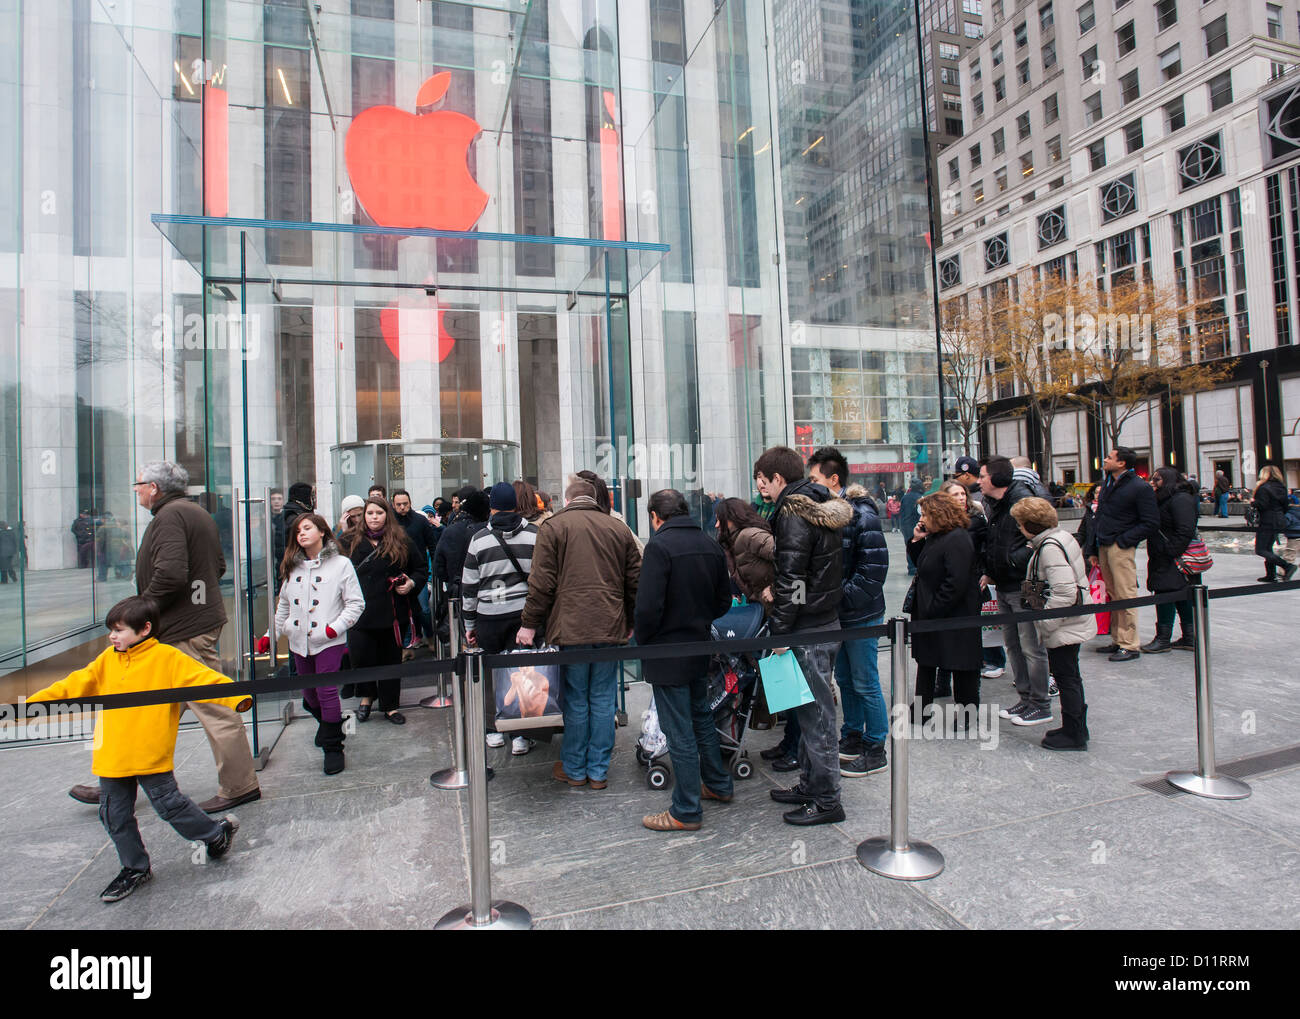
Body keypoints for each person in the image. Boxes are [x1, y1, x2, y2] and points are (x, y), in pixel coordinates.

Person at [68, 461, 262, 812]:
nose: (137, 490)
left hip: (183, 631)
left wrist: (139, 613)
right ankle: (116, 782)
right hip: (185, 626)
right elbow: (215, 568)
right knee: (141, 709)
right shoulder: (193, 513)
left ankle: (240, 785)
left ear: (154, 487)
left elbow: (172, 575)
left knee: (215, 708)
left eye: (139, 484)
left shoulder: (170, 517)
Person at [30, 596, 250, 902]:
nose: (112, 636)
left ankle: (214, 834)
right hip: (113, 755)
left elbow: (204, 678)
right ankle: (135, 868)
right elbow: (75, 683)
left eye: (119, 630)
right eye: (112, 630)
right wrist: (32, 704)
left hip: (150, 753)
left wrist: (235, 696)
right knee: (113, 815)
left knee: (170, 806)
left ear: (145, 629)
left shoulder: (167, 658)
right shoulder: (108, 659)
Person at [516, 478, 641, 790]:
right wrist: (631, 617)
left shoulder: (554, 527)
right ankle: (598, 771)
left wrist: (529, 623)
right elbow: (635, 580)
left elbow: (541, 582)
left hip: (570, 627)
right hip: (610, 624)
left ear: (569, 501)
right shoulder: (618, 528)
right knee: (602, 698)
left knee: (575, 698)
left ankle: (574, 768)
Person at [754, 446, 851, 826]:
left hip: (807, 628)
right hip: (820, 621)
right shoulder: (814, 506)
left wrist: (780, 629)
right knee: (812, 712)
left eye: (763, 481)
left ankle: (827, 800)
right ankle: (811, 784)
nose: (762, 489)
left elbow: (792, 579)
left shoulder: (793, 514)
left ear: (779, 479)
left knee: (817, 718)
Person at [634, 489, 734, 831]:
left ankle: (686, 809)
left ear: (655, 517)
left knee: (679, 731)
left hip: (667, 651)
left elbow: (647, 608)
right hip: (699, 646)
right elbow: (724, 600)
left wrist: (645, 640)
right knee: (701, 718)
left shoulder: (659, 547)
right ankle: (718, 785)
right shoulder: (710, 545)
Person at [258, 513, 364, 773]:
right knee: (309, 695)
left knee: (326, 691)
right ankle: (330, 727)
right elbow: (283, 606)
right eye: (297, 531)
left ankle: (333, 746)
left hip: (328, 640)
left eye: (307, 529)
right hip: (298, 641)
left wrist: (333, 629)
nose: (301, 534)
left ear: (322, 532)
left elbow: (355, 604)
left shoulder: (341, 564)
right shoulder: (292, 567)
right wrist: (270, 636)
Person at [807, 446, 889, 779]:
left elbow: (873, 571)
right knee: (844, 679)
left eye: (815, 478)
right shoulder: (829, 512)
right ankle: (853, 735)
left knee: (866, 681)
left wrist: (838, 599)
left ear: (834, 479)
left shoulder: (861, 514)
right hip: (839, 614)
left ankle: (876, 746)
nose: (810, 485)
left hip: (861, 614)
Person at [1008, 499, 1094, 750]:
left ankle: (1074, 732)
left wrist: (1046, 623)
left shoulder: (1049, 548)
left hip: (1064, 624)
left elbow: (1065, 592)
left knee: (1067, 677)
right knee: (1070, 677)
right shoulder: (1061, 537)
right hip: (1071, 621)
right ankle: (1075, 727)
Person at [462, 481, 540, 757]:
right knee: (522, 673)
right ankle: (521, 734)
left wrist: (469, 625)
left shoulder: (479, 539)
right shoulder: (534, 534)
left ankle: (494, 730)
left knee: (491, 674)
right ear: (517, 506)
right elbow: (542, 580)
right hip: (523, 617)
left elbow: (469, 586)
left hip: (489, 617)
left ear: (492, 507)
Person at [979, 455, 1052, 726]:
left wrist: (1012, 559)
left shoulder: (1023, 500)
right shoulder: (996, 504)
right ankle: (1026, 698)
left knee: (1032, 646)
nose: (979, 481)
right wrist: (991, 569)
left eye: (983, 476)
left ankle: (1041, 702)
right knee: (1013, 644)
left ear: (997, 478)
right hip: (1005, 583)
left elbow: (1042, 537)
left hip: (1028, 583)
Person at [342, 497, 426, 723]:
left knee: (390, 659)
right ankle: (367, 697)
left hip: (392, 611)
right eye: (370, 513)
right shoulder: (348, 540)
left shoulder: (400, 539)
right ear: (363, 516)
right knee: (362, 656)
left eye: (379, 513)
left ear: (386, 516)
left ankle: (390, 705)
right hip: (359, 612)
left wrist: (410, 584)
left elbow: (420, 568)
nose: (374, 517)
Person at [905, 492, 982, 728]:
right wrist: (917, 540)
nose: (923, 519)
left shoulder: (957, 538)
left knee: (962, 666)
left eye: (927, 514)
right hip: (933, 611)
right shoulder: (937, 537)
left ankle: (968, 714)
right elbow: (925, 565)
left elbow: (955, 581)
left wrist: (935, 607)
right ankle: (921, 710)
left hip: (952, 613)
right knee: (927, 662)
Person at [1085, 447, 1159, 660]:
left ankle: (1129, 644)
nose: (1105, 459)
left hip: (1119, 546)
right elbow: (1098, 517)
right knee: (1114, 594)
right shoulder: (1109, 483)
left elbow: (1151, 522)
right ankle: (1118, 639)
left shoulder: (1139, 487)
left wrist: (1124, 541)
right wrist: (1092, 548)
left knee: (1125, 594)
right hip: (1104, 544)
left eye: (1110, 457)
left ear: (1122, 463)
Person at [1141, 468, 1201, 653]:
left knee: (1168, 594)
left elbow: (1185, 529)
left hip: (1174, 558)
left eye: (1157, 479)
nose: (1152, 482)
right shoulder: (1166, 498)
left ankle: (1164, 638)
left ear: (1166, 480)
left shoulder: (1180, 499)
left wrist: (1170, 551)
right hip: (1166, 557)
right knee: (1178, 593)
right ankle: (1188, 637)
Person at [392, 489, 438, 653]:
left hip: (419, 572)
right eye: (399, 504)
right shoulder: (390, 522)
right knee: (400, 612)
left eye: (405, 504)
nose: (402, 507)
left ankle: (430, 637)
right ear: (393, 504)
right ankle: (406, 647)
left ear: (410, 503)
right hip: (397, 572)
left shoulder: (420, 520)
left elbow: (432, 545)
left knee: (424, 610)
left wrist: (435, 568)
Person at [713, 497, 775, 608]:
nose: (716, 525)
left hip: (782, 606)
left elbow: (794, 561)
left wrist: (774, 589)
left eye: (719, 520)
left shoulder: (751, 536)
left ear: (732, 518)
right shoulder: (731, 542)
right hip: (765, 608)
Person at [1252, 466, 1296, 583]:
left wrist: (1253, 503)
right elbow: (1285, 506)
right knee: (1268, 548)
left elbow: (1263, 505)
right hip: (1279, 519)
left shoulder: (1263, 488)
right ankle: (1270, 575)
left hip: (1267, 520)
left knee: (1260, 549)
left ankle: (1287, 566)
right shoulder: (1281, 487)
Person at [899, 481, 923, 574]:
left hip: (905, 525)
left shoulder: (905, 497)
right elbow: (920, 513)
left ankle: (911, 567)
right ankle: (916, 567)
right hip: (915, 524)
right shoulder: (919, 497)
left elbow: (901, 511)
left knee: (909, 546)